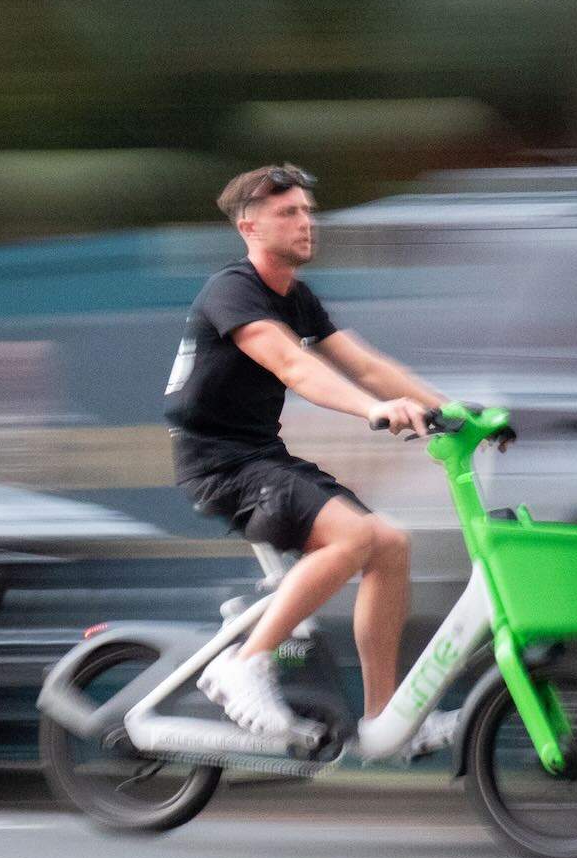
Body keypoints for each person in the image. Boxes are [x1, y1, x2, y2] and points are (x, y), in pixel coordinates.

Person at [163, 163, 455, 759]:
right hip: (218, 464)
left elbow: (366, 365)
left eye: (308, 211)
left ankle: (386, 721)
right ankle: (244, 666)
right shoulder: (233, 291)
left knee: (390, 545)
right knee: (350, 538)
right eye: (288, 213)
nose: (306, 222)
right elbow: (294, 368)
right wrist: (373, 412)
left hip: (260, 456)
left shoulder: (295, 298)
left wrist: (456, 410)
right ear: (249, 226)